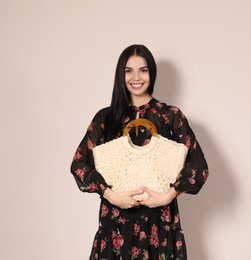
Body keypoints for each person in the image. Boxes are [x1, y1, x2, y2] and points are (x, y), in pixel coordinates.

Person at [70, 44, 208, 260]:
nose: (136, 77)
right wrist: (111, 195)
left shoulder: (170, 116)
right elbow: (79, 164)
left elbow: (199, 168)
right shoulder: (106, 119)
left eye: (143, 70)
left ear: (152, 73)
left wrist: (167, 196)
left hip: (159, 223)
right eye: (128, 70)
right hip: (116, 224)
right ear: (120, 74)